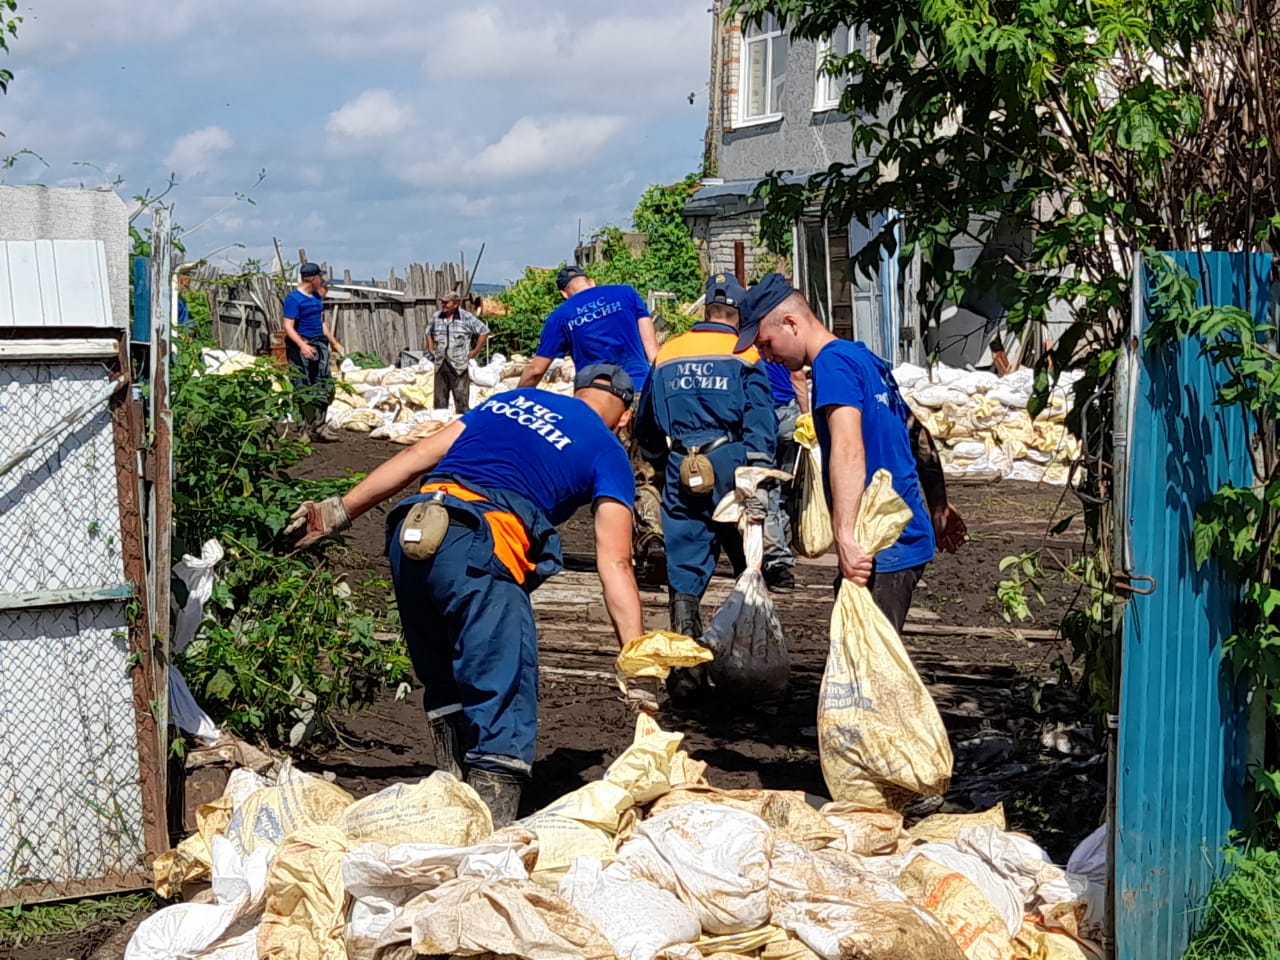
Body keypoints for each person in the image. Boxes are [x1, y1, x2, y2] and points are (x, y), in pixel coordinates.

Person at [285, 364, 646, 825]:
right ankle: (488, 835)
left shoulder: (507, 402)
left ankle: (451, 809)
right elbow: (614, 562)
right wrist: (637, 658)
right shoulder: (607, 449)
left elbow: (417, 455)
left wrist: (336, 512)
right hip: (479, 542)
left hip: (413, 532)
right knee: (503, 688)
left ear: (576, 391)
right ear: (624, 416)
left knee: (446, 684)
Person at [737, 274, 967, 633]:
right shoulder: (863, 358)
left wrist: (844, 536)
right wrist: (938, 504)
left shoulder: (832, 365)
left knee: (868, 668)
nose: (767, 356)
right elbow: (916, 432)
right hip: (903, 535)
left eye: (766, 343)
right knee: (856, 658)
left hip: (880, 544)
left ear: (792, 322)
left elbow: (847, 448)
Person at [634, 273, 776, 704]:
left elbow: (645, 422)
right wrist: (761, 468)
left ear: (707, 312)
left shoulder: (669, 352)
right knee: (748, 560)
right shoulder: (743, 352)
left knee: (683, 567)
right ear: (736, 314)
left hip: (682, 466)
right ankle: (749, 661)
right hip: (731, 463)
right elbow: (760, 418)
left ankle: (685, 673)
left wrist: (661, 463)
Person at [517, 265, 658, 394]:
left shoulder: (560, 316)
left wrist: (515, 399)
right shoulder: (627, 293)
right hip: (641, 387)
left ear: (564, 294)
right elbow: (652, 352)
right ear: (591, 281)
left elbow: (536, 371)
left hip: (597, 396)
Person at [283, 262, 344, 441]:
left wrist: (334, 343)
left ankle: (320, 427)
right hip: (302, 346)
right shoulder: (294, 299)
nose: (322, 281)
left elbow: (321, 322)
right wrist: (302, 345)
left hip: (319, 345)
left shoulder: (316, 297)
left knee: (324, 384)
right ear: (312, 278)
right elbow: (288, 326)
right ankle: (303, 430)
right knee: (303, 386)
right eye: (320, 277)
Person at [761, 360, 808, 590]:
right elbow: (798, 377)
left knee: (768, 491)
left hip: (764, 418)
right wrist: (807, 417)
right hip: (791, 417)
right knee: (786, 490)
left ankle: (777, 563)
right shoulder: (781, 340)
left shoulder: (746, 344)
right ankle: (785, 549)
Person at [427, 289, 491, 414]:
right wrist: (430, 348)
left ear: (456, 304)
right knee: (439, 404)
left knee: (462, 403)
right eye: (442, 302)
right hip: (441, 363)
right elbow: (428, 332)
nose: (444, 305)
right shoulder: (437, 316)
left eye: (447, 302)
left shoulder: (466, 317)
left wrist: (476, 350)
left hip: (459, 365)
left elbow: (484, 331)